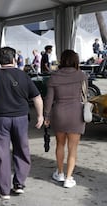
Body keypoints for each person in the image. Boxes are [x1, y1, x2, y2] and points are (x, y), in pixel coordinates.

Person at [0, 47, 44, 200]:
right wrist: (40, 116)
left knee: (1, 154)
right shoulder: (23, 75)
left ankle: (3, 190)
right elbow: (37, 98)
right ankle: (19, 184)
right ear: (14, 59)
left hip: (0, 120)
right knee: (22, 150)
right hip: (20, 118)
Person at [43, 49, 87, 189]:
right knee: (73, 148)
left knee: (60, 144)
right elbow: (85, 96)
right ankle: (69, 178)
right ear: (75, 60)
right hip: (76, 113)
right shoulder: (82, 75)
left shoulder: (54, 77)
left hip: (59, 113)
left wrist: (46, 116)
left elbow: (49, 99)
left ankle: (60, 173)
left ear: (62, 60)